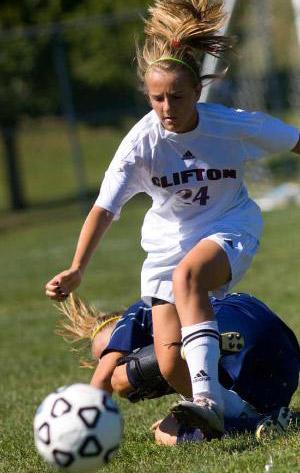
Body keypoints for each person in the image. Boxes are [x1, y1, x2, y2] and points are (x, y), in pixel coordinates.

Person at [46, 0, 300, 437]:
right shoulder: (140, 144)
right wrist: (76, 268)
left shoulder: (231, 125)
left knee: (190, 278)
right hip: (167, 244)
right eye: (157, 97)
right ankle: (250, 418)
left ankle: (205, 401)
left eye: (176, 97)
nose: (166, 107)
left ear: (197, 93)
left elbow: (296, 141)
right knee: (169, 362)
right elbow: (104, 209)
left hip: (230, 224)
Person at [57, 292, 300, 443]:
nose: (109, 358)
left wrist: (79, 426)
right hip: (282, 360)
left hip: (234, 333)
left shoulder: (139, 311)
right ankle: (266, 416)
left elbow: (105, 379)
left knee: (123, 383)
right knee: (177, 418)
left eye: (109, 352)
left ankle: (249, 424)